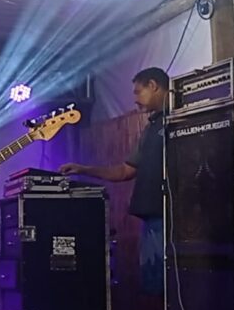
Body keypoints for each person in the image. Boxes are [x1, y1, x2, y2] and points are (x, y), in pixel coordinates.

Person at [58, 67, 168, 297]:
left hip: (172, 219)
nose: (135, 99)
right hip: (151, 218)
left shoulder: (179, 119)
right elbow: (125, 171)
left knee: (172, 285)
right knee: (155, 287)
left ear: (153, 85)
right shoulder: (151, 127)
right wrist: (84, 169)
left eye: (138, 92)